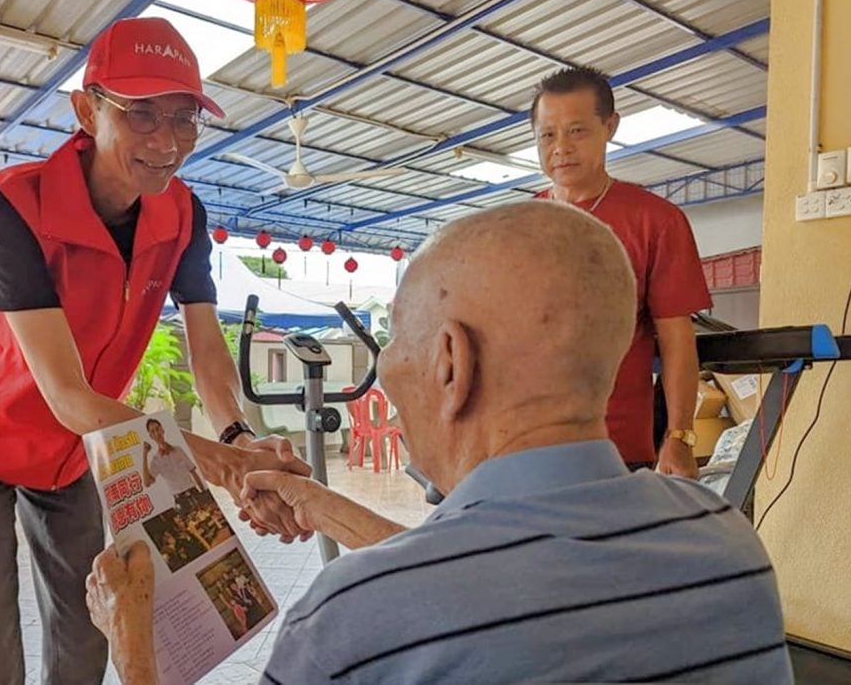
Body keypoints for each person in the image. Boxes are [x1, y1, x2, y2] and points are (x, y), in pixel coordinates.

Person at [86, 202, 792, 685]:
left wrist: (133, 646)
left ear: (451, 364)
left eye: (396, 336)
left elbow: (437, 589)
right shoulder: (728, 542)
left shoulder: (352, 617)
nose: (389, 365)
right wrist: (314, 501)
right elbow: (487, 576)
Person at [0, 17, 309, 685]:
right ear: (86, 110)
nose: (167, 141)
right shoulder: (11, 209)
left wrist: (241, 437)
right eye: (141, 114)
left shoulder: (182, 214)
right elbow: (66, 395)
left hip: (73, 451)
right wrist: (218, 463)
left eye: (184, 118)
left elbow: (207, 353)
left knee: (94, 627)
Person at [531, 66, 712, 477]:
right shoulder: (521, 223)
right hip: (524, 447)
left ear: (609, 126)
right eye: (547, 134)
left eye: (577, 131)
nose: (561, 147)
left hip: (614, 448)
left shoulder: (656, 221)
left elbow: (676, 338)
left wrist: (679, 436)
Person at [142, 418, 206, 494]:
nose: (157, 433)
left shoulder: (178, 450)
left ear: (162, 430)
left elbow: (192, 471)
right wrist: (145, 454)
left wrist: (203, 491)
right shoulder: (156, 460)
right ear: (151, 436)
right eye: (153, 431)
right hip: (179, 497)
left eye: (157, 429)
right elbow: (147, 483)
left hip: (192, 490)